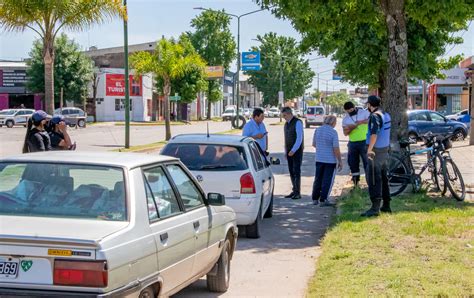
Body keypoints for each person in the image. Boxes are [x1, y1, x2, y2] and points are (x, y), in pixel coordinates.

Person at [362, 95, 392, 217]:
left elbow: (374, 134)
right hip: (384, 149)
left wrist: (369, 149)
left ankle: (375, 208)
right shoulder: (385, 114)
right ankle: (386, 205)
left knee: (374, 179)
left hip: (375, 150)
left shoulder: (375, 116)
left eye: (367, 105)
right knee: (384, 178)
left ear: (370, 105)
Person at [311, 115, 343, 206]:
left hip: (319, 158)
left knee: (318, 179)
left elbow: (314, 144)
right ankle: (323, 199)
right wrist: (340, 160)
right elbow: (335, 148)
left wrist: (322, 149)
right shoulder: (333, 132)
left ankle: (315, 198)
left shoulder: (317, 130)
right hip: (330, 160)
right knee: (327, 180)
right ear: (333, 122)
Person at [342, 101, 370, 187]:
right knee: (353, 163)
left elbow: (370, 120)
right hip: (352, 143)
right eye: (348, 111)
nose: (350, 112)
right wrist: (353, 127)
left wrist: (361, 122)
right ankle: (355, 183)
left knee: (367, 162)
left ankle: (370, 183)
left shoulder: (363, 113)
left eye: (351, 110)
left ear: (354, 107)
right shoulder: (346, 119)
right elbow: (345, 133)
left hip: (364, 142)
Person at [282, 107, 304, 200]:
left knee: (296, 171)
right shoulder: (286, 124)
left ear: (289, 113)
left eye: (284, 115)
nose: (283, 117)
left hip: (296, 151)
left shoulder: (297, 122)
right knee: (291, 171)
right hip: (289, 150)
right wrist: (286, 151)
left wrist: (293, 150)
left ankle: (298, 192)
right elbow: (285, 139)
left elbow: (299, 138)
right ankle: (294, 189)